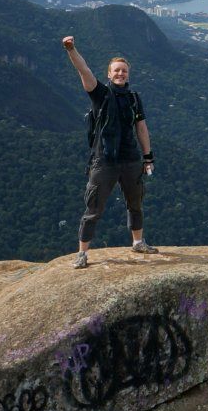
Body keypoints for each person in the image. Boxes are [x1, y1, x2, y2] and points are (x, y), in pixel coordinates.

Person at [62, 35, 158, 269]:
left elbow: (141, 128)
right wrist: (71, 49)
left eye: (124, 71)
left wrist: (148, 157)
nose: (120, 74)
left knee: (135, 203)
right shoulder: (100, 94)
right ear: (108, 74)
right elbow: (83, 70)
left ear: (128, 74)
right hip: (104, 161)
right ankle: (82, 253)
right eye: (116, 71)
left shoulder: (134, 99)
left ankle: (137, 242)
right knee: (93, 208)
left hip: (131, 159)